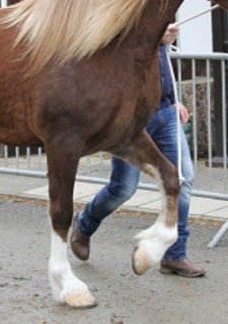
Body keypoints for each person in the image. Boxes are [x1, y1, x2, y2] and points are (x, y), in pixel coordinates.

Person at [71, 24, 206, 277]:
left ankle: (174, 255)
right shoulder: (126, 14)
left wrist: (173, 100)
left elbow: (161, 64)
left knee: (182, 179)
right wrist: (155, 37)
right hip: (133, 117)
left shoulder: (160, 13)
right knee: (123, 188)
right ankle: (84, 224)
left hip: (165, 112)